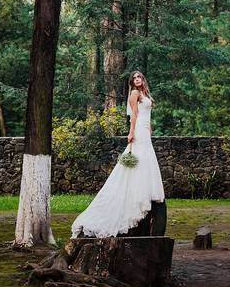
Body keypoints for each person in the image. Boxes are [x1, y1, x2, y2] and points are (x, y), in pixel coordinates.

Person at [71, 71, 166, 237]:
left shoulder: (145, 93)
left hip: (145, 131)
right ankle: (137, 194)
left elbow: (148, 115)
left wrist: (149, 129)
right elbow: (134, 115)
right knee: (137, 160)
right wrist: (131, 133)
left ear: (143, 79)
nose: (137, 80)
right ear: (132, 82)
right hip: (137, 130)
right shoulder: (135, 93)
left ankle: (145, 191)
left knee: (146, 159)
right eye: (134, 78)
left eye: (139, 77)